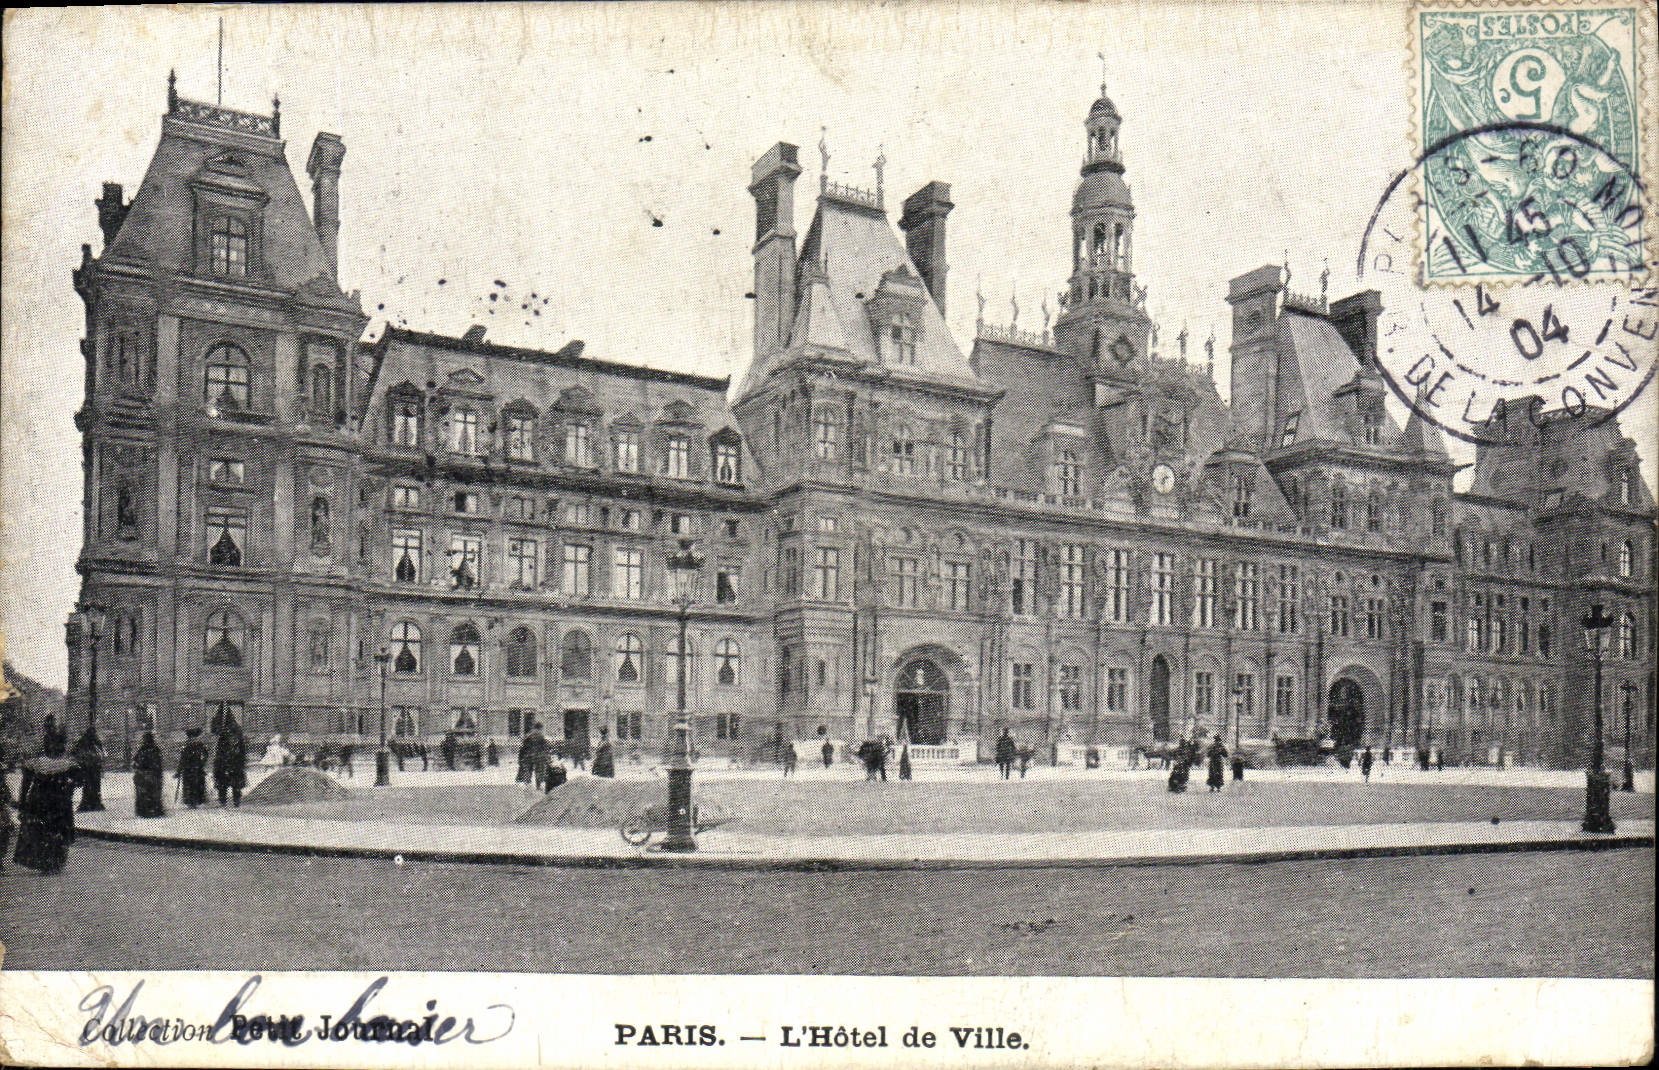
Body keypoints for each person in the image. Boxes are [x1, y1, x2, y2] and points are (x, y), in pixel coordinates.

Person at [13, 725, 79, 872]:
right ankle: (56, 860)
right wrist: (68, 789)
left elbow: (25, 785)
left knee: (41, 831)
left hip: (39, 801)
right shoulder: (68, 764)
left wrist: (22, 804)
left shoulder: (36, 763)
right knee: (58, 830)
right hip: (60, 802)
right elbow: (78, 781)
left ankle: (44, 859)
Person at [212, 717, 248, 808]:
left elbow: (219, 753)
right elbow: (242, 754)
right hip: (232, 765)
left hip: (229, 765)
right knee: (233, 785)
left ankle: (226, 801)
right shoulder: (234, 740)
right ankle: (234, 802)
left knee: (226, 785)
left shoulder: (225, 739)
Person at [71, 725, 106, 812]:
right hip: (94, 767)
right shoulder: (96, 742)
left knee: (88, 786)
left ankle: (87, 803)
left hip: (87, 767)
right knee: (95, 786)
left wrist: (81, 761)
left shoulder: (83, 742)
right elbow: (103, 754)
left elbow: (74, 752)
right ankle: (95, 803)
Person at [132, 731, 165, 818]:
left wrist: (139, 769)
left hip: (143, 774)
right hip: (154, 774)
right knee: (154, 792)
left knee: (144, 793)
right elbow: (158, 763)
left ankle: (144, 811)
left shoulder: (142, 750)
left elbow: (136, 761)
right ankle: (154, 810)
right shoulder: (155, 749)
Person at [176, 728, 209, 808]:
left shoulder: (198, 745)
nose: (192, 739)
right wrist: (179, 770)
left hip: (195, 768)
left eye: (194, 737)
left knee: (195, 785)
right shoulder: (187, 746)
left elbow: (205, 754)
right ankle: (191, 802)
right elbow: (182, 759)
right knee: (190, 785)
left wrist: (202, 762)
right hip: (190, 769)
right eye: (191, 737)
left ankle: (195, 801)